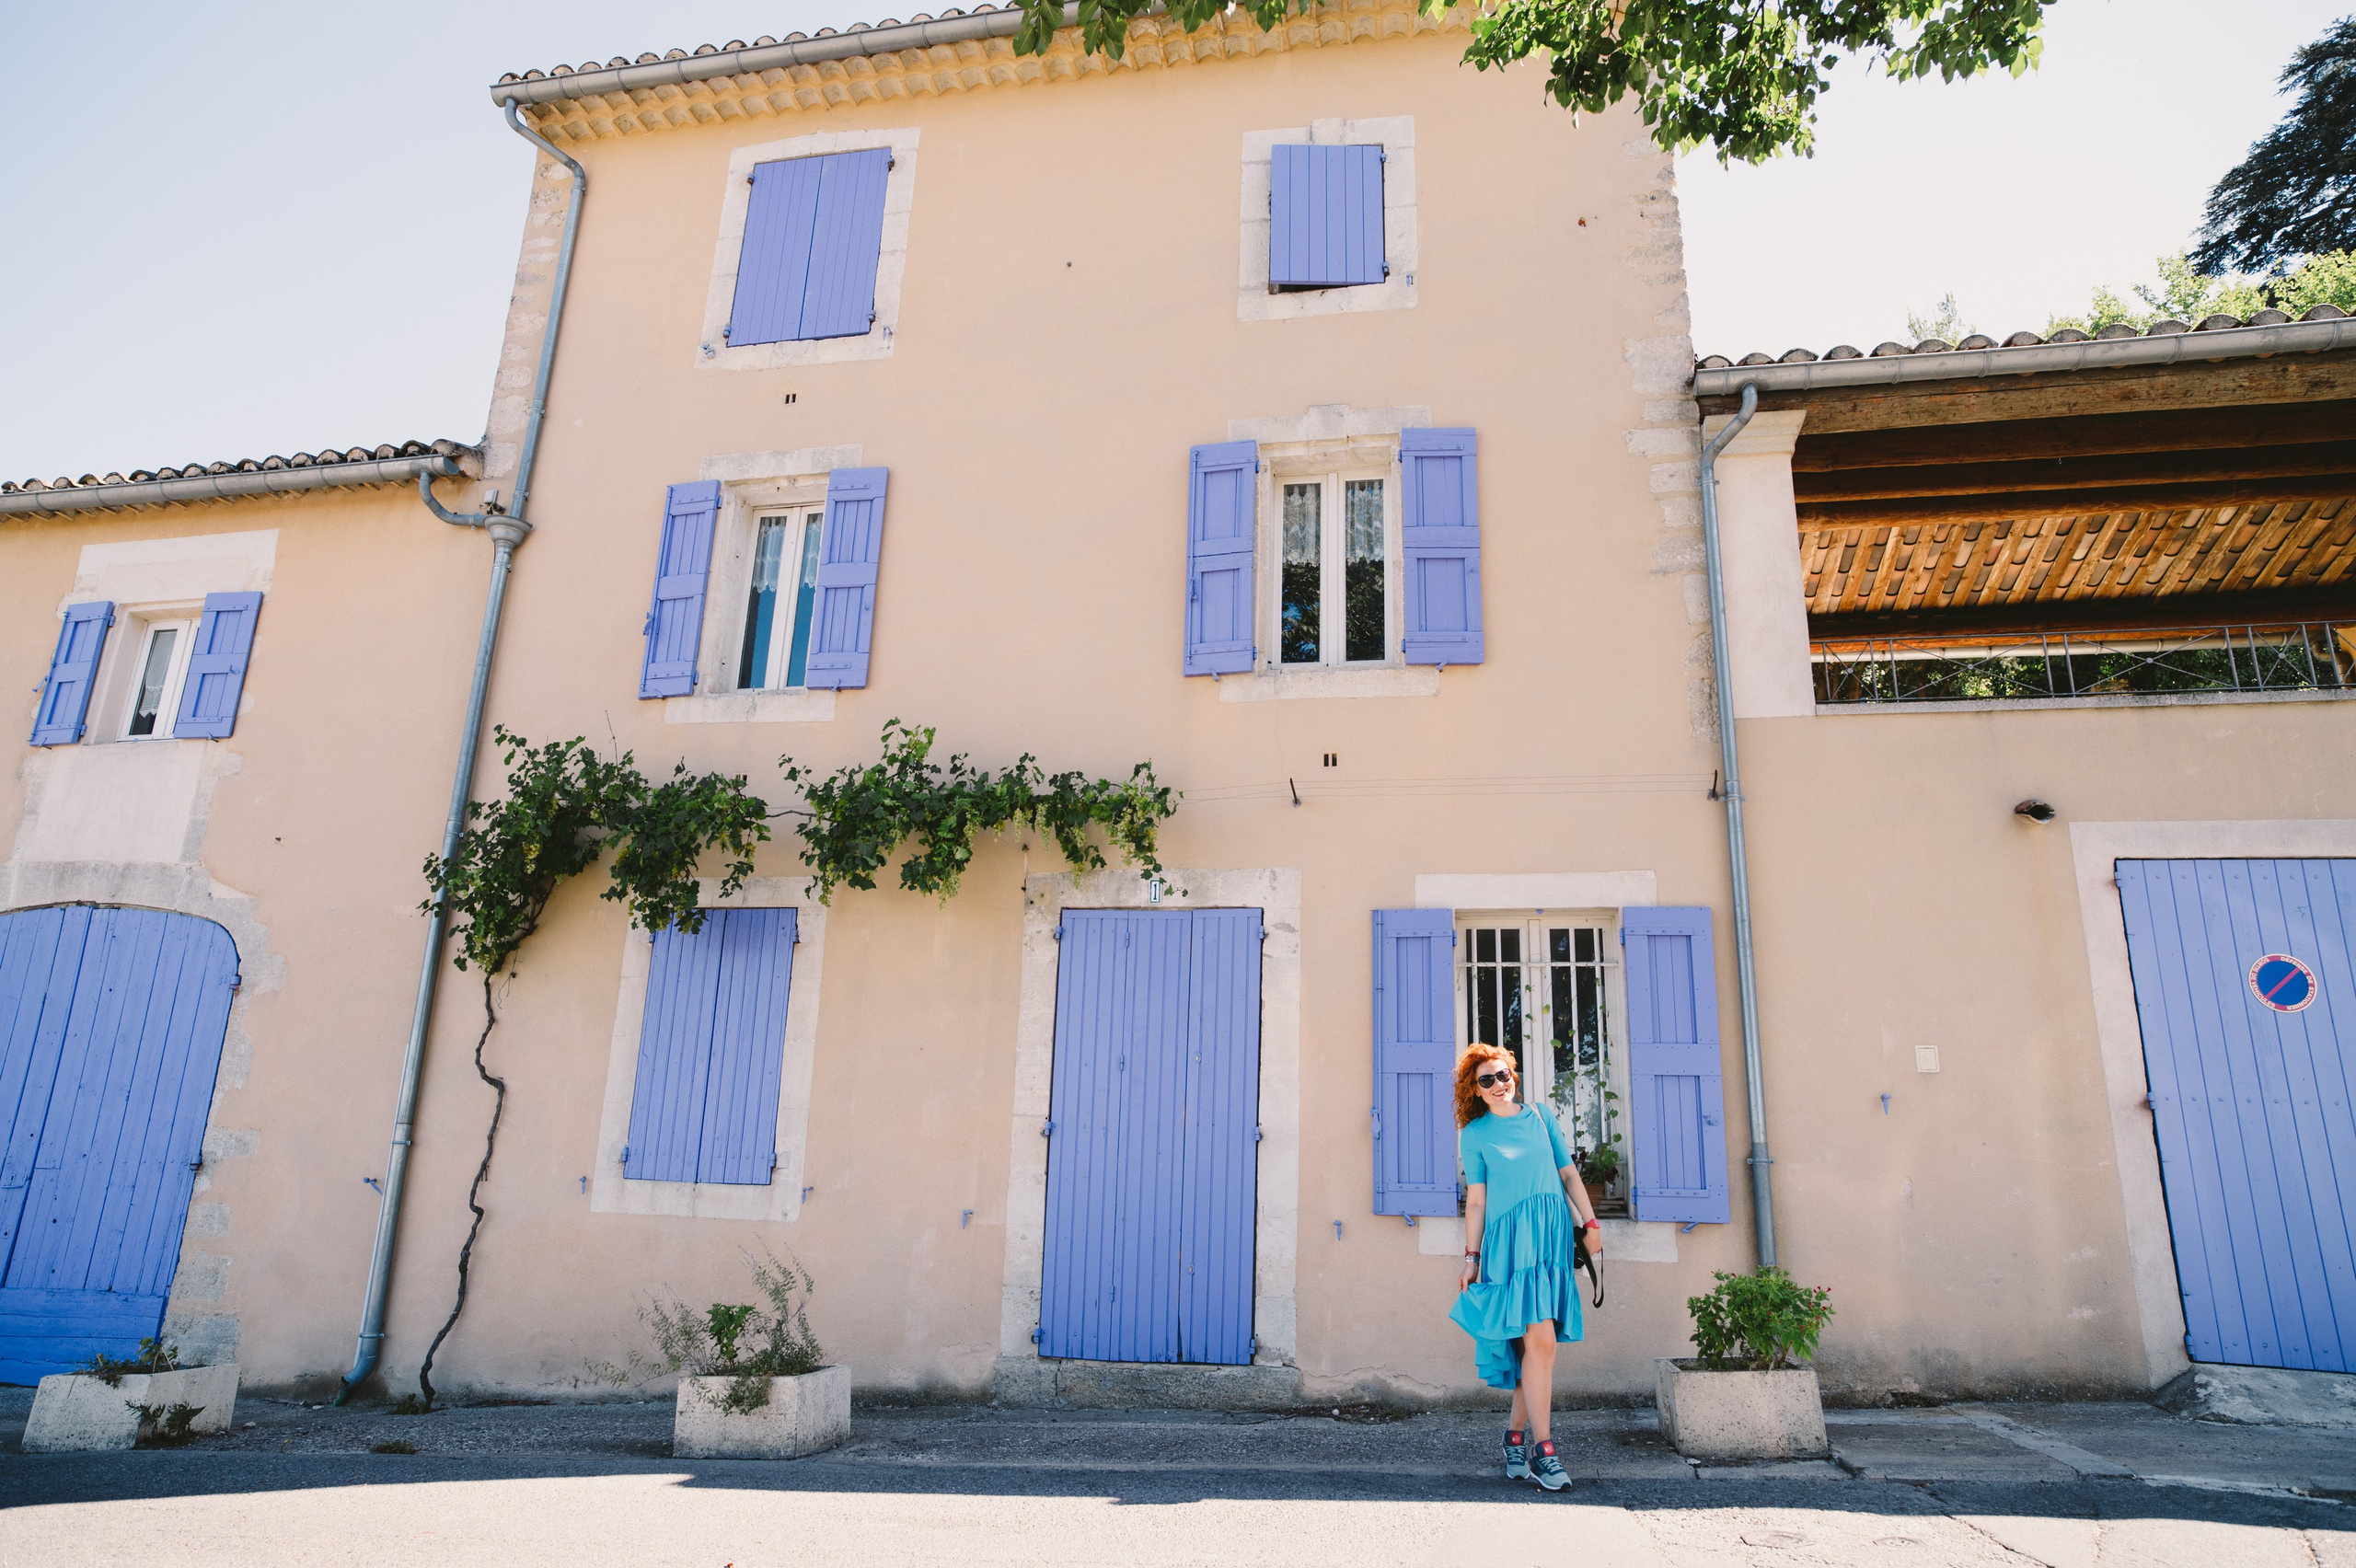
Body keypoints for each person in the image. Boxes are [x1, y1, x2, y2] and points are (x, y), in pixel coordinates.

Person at [1447, 1042, 1601, 1492]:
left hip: (1549, 1239)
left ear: (1513, 1074)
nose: (1498, 1085)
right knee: (1541, 1342)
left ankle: (1515, 1439)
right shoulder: (1474, 1134)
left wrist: (1590, 1223)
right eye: (1486, 1080)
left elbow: (1569, 1172)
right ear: (1474, 1090)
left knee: (1535, 1348)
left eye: (1503, 1075)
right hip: (1510, 1244)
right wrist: (1471, 1259)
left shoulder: (1540, 1117)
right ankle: (1543, 1451)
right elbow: (1476, 1200)